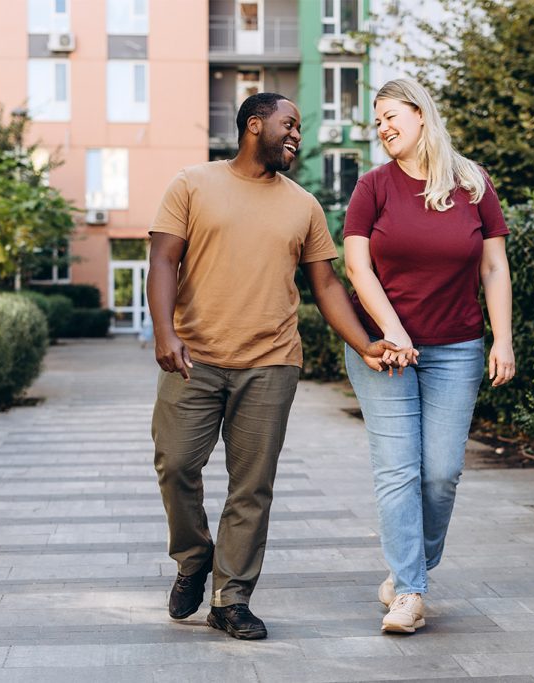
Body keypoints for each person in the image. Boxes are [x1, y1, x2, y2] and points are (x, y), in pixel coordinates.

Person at [148, 93, 398, 641]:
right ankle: (194, 557)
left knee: (252, 485)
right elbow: (163, 259)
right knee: (176, 465)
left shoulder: (303, 205)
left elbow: (326, 284)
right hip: (194, 356)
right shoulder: (191, 183)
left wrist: (364, 343)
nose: (297, 136)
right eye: (289, 125)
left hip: (271, 361)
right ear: (253, 125)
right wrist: (164, 331)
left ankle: (230, 596)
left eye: (300, 129)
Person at [342, 78, 515, 634]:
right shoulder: (373, 187)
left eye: (391, 115)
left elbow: (494, 267)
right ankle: (411, 593)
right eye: (378, 122)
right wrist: (391, 331)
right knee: (399, 470)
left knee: (440, 473)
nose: (384, 128)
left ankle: (409, 570)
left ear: (421, 114)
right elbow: (357, 267)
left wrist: (502, 338)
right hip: (382, 351)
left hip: (457, 347)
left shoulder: (473, 182)